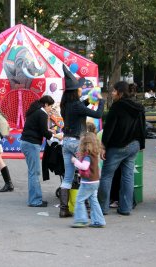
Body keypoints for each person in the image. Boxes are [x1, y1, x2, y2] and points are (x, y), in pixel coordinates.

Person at [59, 65, 105, 218]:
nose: (81, 89)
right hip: (77, 142)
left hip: (65, 143)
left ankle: (64, 209)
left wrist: (88, 100)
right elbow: (98, 114)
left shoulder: (65, 105)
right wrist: (101, 101)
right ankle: (88, 208)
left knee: (68, 177)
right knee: (87, 173)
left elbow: (80, 107)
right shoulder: (76, 105)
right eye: (79, 87)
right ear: (75, 91)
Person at [98, 81, 146, 216]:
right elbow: (142, 127)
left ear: (120, 92)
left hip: (118, 146)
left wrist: (103, 146)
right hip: (134, 145)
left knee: (107, 175)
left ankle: (102, 208)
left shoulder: (117, 106)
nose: (112, 93)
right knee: (128, 176)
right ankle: (125, 208)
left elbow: (109, 128)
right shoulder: (138, 107)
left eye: (113, 91)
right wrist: (141, 145)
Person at [20, 95, 62, 207]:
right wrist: (56, 136)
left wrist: (50, 132)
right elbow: (44, 132)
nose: (51, 109)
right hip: (31, 144)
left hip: (26, 143)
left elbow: (38, 128)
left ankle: (35, 199)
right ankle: (35, 201)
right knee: (34, 172)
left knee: (32, 172)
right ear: (46, 104)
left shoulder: (35, 111)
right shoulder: (42, 113)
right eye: (50, 106)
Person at [71, 132, 106, 228]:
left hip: (88, 182)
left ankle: (81, 220)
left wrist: (75, 161)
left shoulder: (88, 156)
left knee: (79, 200)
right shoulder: (95, 154)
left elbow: (84, 166)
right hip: (95, 181)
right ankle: (99, 221)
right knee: (94, 201)